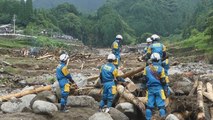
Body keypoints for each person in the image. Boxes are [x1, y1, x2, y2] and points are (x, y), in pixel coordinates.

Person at [142, 53, 167, 120]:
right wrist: (166, 90)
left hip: (150, 89)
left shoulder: (146, 69)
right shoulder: (161, 69)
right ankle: (163, 118)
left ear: (151, 59)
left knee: (149, 107)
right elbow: (163, 81)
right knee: (161, 107)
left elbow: (144, 80)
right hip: (159, 89)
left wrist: (143, 88)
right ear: (159, 60)